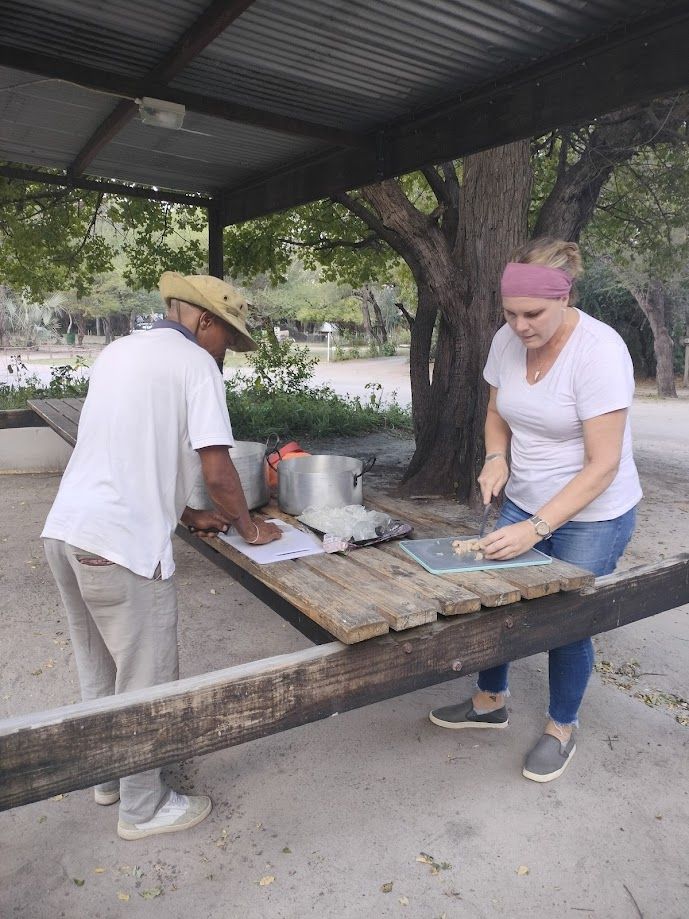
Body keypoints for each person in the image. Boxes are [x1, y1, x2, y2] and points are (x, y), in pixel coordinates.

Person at [42, 272, 282, 839]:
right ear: (204, 321)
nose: (227, 351)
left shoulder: (119, 351)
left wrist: (185, 515)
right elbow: (217, 467)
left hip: (66, 530)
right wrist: (247, 526)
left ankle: (108, 779)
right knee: (146, 678)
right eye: (229, 336)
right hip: (121, 547)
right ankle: (143, 807)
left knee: (100, 668)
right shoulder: (195, 364)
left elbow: (127, 449)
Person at [429, 238, 642, 783]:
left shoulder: (600, 351)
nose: (520, 326)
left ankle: (560, 728)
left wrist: (538, 527)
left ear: (565, 297)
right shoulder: (506, 340)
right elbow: (497, 411)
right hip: (523, 498)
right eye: (510, 313)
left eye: (532, 315)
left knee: (565, 622)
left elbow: (603, 464)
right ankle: (488, 701)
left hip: (592, 512)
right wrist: (496, 456)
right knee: (495, 600)